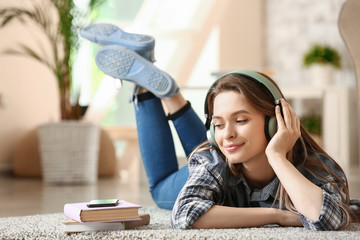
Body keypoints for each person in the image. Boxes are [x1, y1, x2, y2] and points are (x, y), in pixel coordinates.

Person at [80, 23, 359, 231]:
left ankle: (165, 89)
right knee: (166, 184)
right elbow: (186, 214)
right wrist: (278, 216)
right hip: (214, 163)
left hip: (236, 158)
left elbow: (329, 219)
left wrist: (277, 156)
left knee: (206, 155)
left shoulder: (315, 168)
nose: (227, 133)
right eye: (218, 124)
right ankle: (144, 86)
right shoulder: (214, 159)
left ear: (275, 121)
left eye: (241, 120)